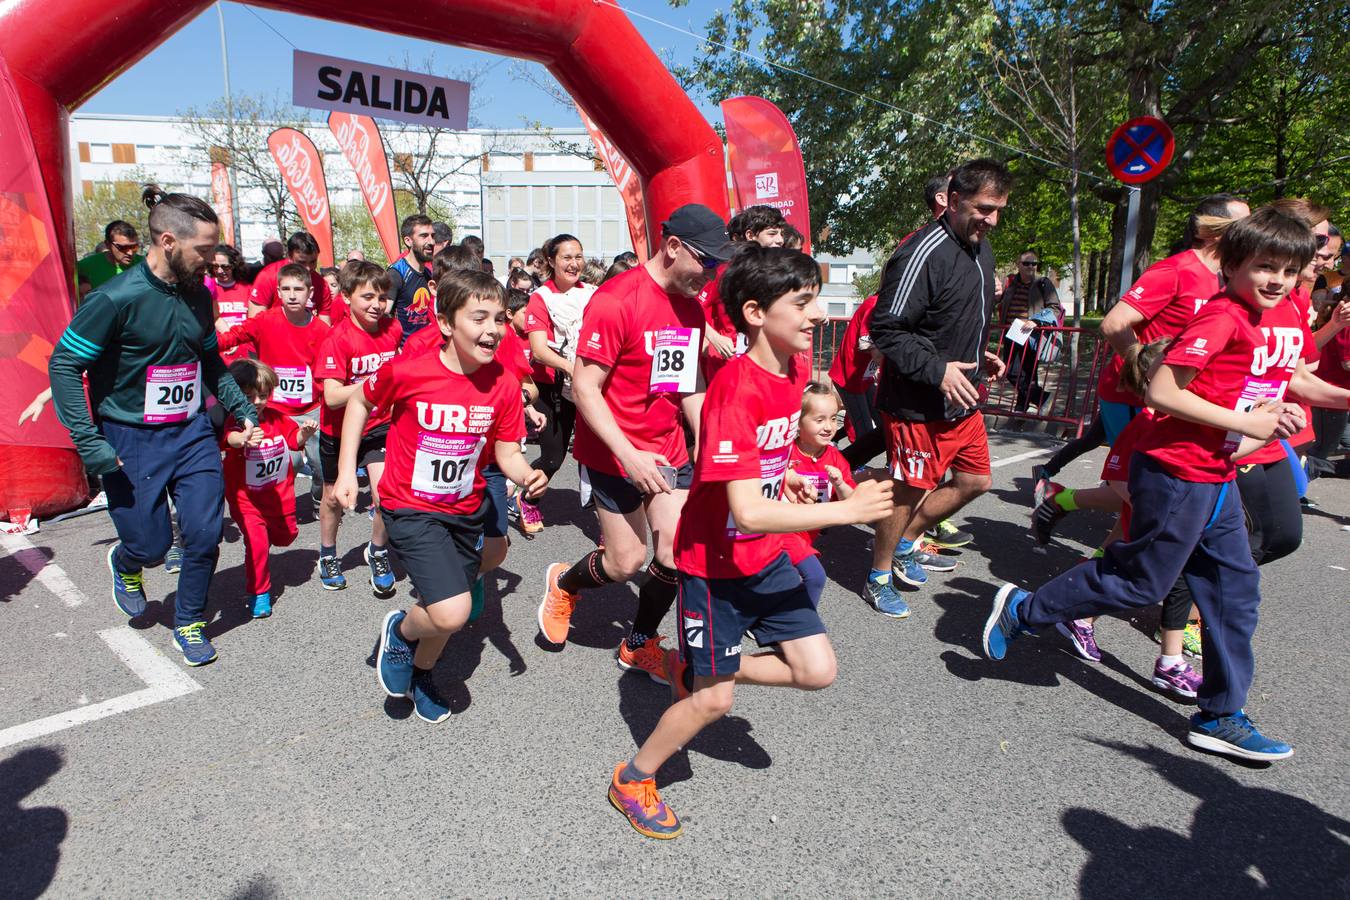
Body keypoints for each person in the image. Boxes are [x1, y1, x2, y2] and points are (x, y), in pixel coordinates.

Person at [982, 206, 1326, 763]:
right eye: (1265, 267)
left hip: (1218, 477)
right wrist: (1250, 423)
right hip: (1174, 473)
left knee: (1236, 594)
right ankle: (1025, 610)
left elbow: (1293, 377)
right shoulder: (1222, 316)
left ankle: (1220, 715)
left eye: (1289, 272)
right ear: (1234, 263)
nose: (1277, 281)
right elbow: (1163, 391)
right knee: (1140, 582)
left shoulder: (1280, 314)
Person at [607, 245, 894, 839]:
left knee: (817, 672)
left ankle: (703, 662)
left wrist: (783, 470)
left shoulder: (792, 370)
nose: (815, 315)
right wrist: (848, 509)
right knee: (714, 704)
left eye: (815, 300)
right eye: (803, 303)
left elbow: (766, 452)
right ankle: (633, 777)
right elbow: (743, 508)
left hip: (763, 558)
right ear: (757, 312)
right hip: (713, 566)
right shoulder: (736, 389)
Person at [48, 187, 258, 666]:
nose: (212, 260)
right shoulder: (114, 299)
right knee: (150, 544)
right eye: (203, 250)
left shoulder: (198, 297)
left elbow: (210, 360)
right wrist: (89, 442)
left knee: (203, 535)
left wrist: (240, 408)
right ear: (168, 241)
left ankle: (189, 620)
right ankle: (127, 561)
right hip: (131, 439)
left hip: (191, 432)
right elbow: (63, 367)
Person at [538, 205, 725, 682]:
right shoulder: (616, 300)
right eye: (708, 261)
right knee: (626, 562)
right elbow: (584, 388)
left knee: (675, 553)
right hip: (613, 453)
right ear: (674, 246)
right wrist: (628, 453)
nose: (713, 274)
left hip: (668, 451)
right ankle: (564, 583)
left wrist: (704, 438)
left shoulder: (692, 306)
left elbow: (688, 382)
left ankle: (637, 642)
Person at [350, 270, 547, 724]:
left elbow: (507, 451)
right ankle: (399, 632)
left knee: (448, 607)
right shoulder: (410, 370)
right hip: (410, 505)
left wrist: (525, 475)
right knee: (453, 610)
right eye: (478, 318)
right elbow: (359, 402)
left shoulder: (502, 383)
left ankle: (422, 674)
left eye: (498, 318)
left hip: (465, 508)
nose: (492, 329)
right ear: (445, 324)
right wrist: (346, 472)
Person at [864, 158, 1011, 617]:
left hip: (960, 398)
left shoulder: (980, 249)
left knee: (975, 480)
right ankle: (878, 575)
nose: (991, 219)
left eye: (998, 210)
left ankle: (908, 541)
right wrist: (939, 369)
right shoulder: (921, 251)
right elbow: (885, 329)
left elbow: (955, 315)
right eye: (984, 208)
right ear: (953, 200)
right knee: (907, 490)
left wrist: (978, 351)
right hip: (914, 402)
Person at [1031, 194, 1250, 499]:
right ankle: (1065, 505)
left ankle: (1065, 501)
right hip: (1134, 393)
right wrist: (1144, 373)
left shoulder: (1227, 279)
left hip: (1176, 396)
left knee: (1136, 474)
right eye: (1243, 223)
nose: (1252, 230)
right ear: (1211, 230)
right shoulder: (1176, 270)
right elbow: (1113, 324)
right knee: (1141, 482)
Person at [313, 260, 402, 595]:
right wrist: (374, 383)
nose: (376, 304)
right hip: (338, 433)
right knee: (333, 499)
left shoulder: (392, 330)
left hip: (379, 426)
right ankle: (328, 554)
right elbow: (333, 396)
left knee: (387, 496)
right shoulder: (337, 339)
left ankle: (377, 551)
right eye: (367, 297)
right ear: (347, 296)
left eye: (381, 297)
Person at [216, 263, 329, 494]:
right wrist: (196, 346)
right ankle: (278, 508)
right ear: (278, 293)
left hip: (312, 408)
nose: (292, 295)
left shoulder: (322, 330)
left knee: (321, 466)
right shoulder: (264, 320)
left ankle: (319, 501)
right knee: (292, 461)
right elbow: (231, 336)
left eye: (298, 289)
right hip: (275, 408)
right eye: (286, 289)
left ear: (310, 293)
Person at [220, 359, 318, 619]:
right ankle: (259, 592)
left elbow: (293, 440)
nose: (257, 402)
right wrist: (241, 439)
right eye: (249, 396)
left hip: (277, 495)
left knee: (287, 536)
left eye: (262, 396)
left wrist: (305, 434)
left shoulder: (277, 418)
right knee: (257, 543)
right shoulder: (235, 422)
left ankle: (266, 546)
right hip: (245, 498)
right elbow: (228, 438)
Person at [521, 233, 598, 534]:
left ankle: (606, 519)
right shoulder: (541, 299)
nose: (574, 263)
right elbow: (539, 350)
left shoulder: (593, 293)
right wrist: (569, 367)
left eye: (578, 256)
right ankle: (528, 497)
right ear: (551, 261)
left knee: (598, 455)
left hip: (591, 386)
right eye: (567, 257)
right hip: (554, 388)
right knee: (554, 456)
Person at [784, 382, 857, 608]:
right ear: (798, 423)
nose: (829, 427)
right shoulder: (786, 451)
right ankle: (801, 629)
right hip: (781, 529)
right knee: (815, 577)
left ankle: (774, 619)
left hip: (808, 534)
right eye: (819, 420)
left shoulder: (835, 458)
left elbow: (851, 501)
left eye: (834, 418)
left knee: (777, 580)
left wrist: (840, 484)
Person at [699, 205, 786, 383]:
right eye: (772, 234)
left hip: (764, 361)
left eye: (780, 234)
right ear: (750, 236)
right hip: (729, 360)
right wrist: (714, 338)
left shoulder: (777, 271)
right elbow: (692, 306)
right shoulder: (725, 270)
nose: (780, 240)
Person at [998, 250, 1062, 412]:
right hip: (1011, 333)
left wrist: (1035, 321)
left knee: (1026, 372)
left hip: (1031, 335)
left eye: (1034, 263)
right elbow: (999, 301)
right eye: (1026, 263)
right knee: (1012, 371)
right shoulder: (1011, 282)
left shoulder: (1043, 283)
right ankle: (1037, 399)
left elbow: (1055, 308)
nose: (1030, 266)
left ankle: (1030, 402)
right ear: (1018, 264)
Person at [828, 293, 884, 469]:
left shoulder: (885, 305)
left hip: (864, 378)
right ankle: (846, 469)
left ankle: (835, 444)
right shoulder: (874, 304)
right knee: (865, 433)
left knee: (883, 423)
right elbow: (866, 343)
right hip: (849, 377)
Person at [248, 232, 334, 323]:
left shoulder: (321, 284)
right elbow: (255, 322)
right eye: (302, 262)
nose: (308, 268)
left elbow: (325, 325)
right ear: (289, 256)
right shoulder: (268, 276)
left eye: (313, 262)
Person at [387, 214, 436, 342]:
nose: (431, 242)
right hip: (403, 351)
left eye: (432, 236)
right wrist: (395, 346)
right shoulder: (396, 273)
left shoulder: (428, 273)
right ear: (408, 241)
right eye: (424, 236)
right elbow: (384, 314)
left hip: (422, 348)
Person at [210, 245, 252, 366]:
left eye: (225, 266)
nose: (220, 271)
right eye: (215, 266)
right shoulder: (209, 289)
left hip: (244, 355)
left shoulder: (247, 289)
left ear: (234, 266)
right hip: (219, 353)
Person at [77, 220, 144, 292]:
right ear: (108, 244)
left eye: (134, 247)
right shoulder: (85, 267)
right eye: (123, 247)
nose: (130, 253)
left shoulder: (146, 265)